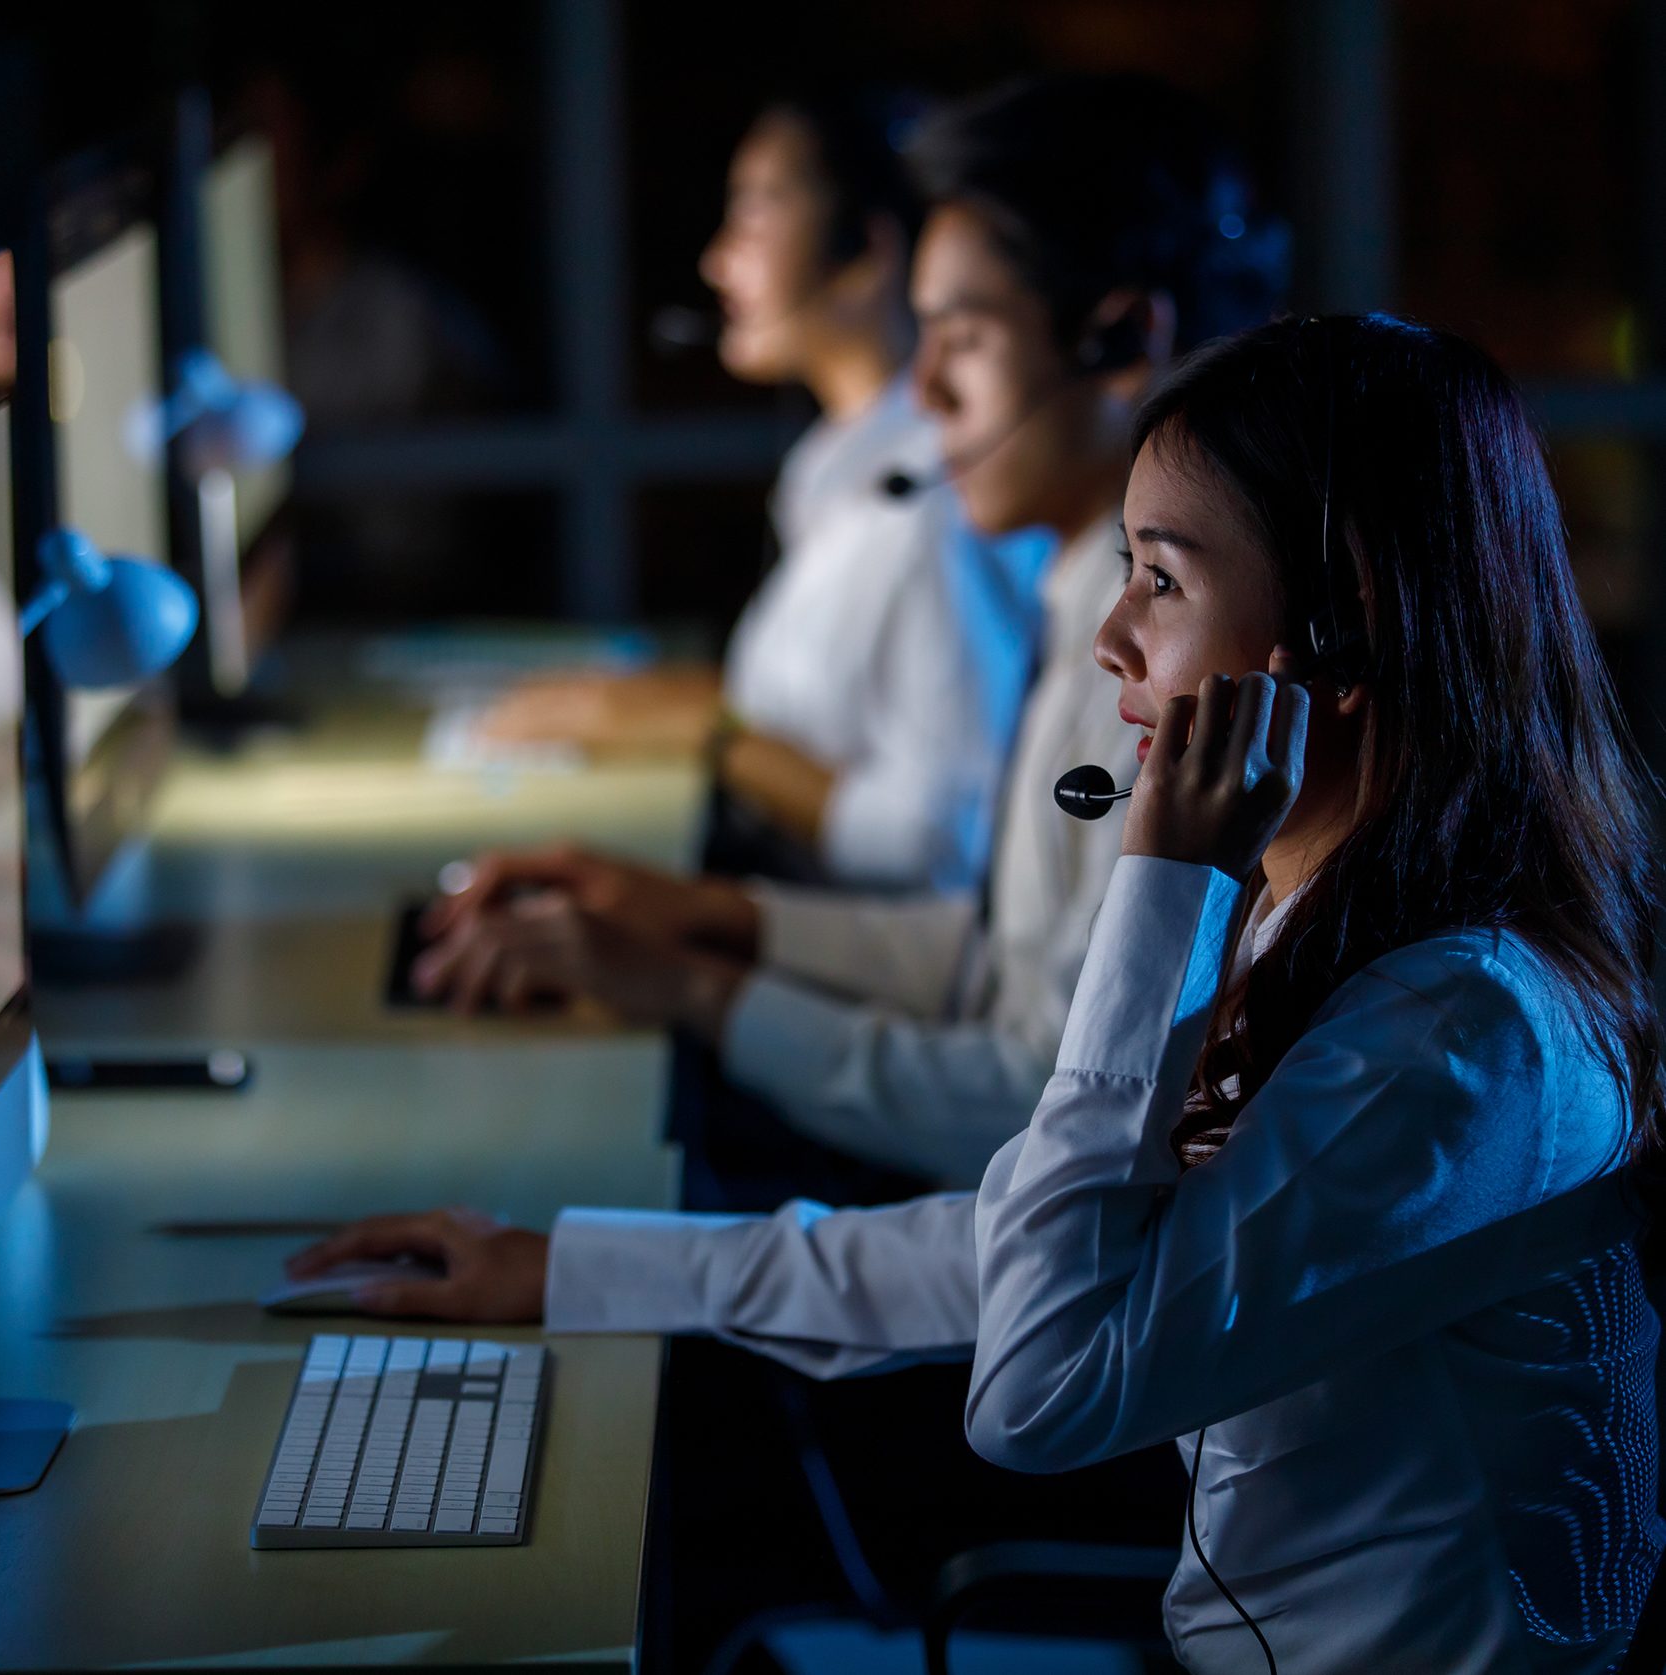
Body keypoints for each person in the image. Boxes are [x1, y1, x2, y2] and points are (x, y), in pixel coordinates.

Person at [293, 314, 1665, 1671]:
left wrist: (1164, 881)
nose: (1109, 641)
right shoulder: (1328, 919)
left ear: (1338, 626)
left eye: (1162, 581)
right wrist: (574, 1268)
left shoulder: (1455, 1037)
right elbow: (1018, 1241)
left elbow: (1039, 1382)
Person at [413, 75, 1289, 1195]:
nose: (922, 394)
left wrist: (701, 989)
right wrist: (704, 918)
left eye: (961, 337)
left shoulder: (1163, 671)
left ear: (1120, 336)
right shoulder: (1081, 594)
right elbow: (1002, 967)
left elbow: (1044, 1108)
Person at [484, 87, 1009, 891]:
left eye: (756, 214)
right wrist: (646, 707)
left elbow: (936, 841)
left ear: (865, 256)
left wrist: (708, 733)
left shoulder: (931, 510)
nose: (717, 260)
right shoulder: (841, 474)